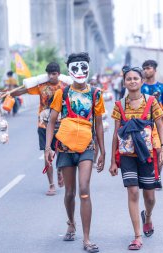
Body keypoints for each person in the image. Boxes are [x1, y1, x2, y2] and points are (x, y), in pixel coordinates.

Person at [45, 52, 105, 253]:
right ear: (69, 70)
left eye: (83, 67)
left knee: (84, 190)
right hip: (65, 147)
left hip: (86, 147)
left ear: (89, 68)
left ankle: (87, 239)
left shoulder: (96, 94)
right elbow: (52, 121)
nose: (80, 71)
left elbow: (98, 124)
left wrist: (102, 151)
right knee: (70, 193)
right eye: (75, 68)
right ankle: (71, 222)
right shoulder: (62, 93)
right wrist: (48, 147)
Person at [109, 66, 163, 251]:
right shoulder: (119, 105)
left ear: (141, 81)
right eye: (129, 79)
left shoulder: (151, 102)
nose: (132, 81)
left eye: (136, 78)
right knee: (133, 192)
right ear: (124, 82)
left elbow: (160, 126)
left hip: (147, 155)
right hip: (127, 156)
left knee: (149, 197)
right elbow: (116, 134)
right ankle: (137, 236)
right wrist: (112, 161)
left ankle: (147, 216)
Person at [0, 62, 67, 195]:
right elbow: (21, 91)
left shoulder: (65, 87)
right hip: (44, 125)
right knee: (47, 155)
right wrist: (6, 94)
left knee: (62, 154)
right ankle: (51, 185)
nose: (51, 76)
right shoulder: (41, 86)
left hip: (61, 125)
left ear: (58, 74)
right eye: (49, 74)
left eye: (54, 74)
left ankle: (60, 169)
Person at [141, 60, 163, 181]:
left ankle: (157, 176)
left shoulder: (162, 87)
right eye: (144, 68)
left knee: (159, 151)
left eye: (149, 68)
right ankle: (146, 175)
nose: (146, 70)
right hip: (143, 124)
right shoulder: (140, 87)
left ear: (155, 70)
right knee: (145, 152)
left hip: (158, 124)